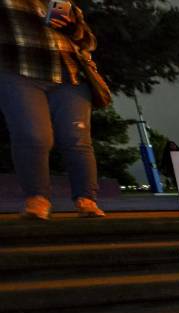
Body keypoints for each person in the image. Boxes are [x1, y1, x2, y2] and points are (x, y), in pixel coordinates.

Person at [1, 0, 106, 220]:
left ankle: (86, 200)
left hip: (70, 77)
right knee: (33, 136)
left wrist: (72, 28)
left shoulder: (60, 2)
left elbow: (89, 42)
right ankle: (37, 199)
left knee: (77, 140)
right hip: (18, 70)